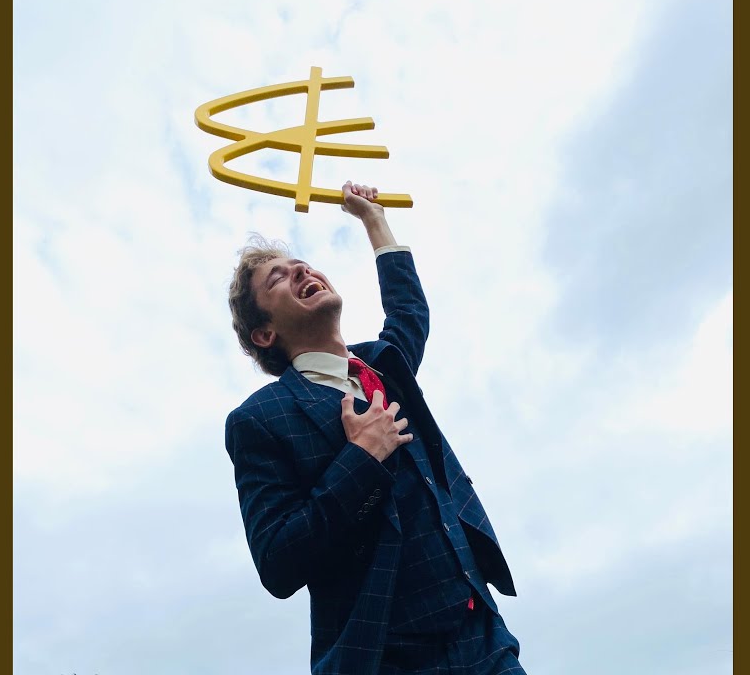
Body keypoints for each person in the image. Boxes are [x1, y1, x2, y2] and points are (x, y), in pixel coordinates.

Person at [225, 181, 525, 675]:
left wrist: (374, 219)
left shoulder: (384, 364)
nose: (302, 270)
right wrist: (361, 460)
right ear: (265, 333)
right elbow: (277, 562)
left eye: (302, 264)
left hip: (481, 639)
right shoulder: (259, 419)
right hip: (384, 658)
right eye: (278, 277)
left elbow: (408, 311)